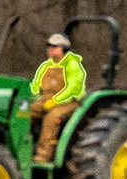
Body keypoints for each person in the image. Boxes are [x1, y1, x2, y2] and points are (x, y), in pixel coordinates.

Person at [27, 32, 85, 164]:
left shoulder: (72, 65)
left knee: (52, 118)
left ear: (63, 48)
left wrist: (55, 101)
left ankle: (44, 156)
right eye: (49, 46)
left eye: (54, 46)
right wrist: (30, 96)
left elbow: (73, 89)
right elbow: (35, 85)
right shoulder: (46, 65)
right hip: (46, 100)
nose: (50, 49)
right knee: (23, 113)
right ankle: (22, 149)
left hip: (69, 102)